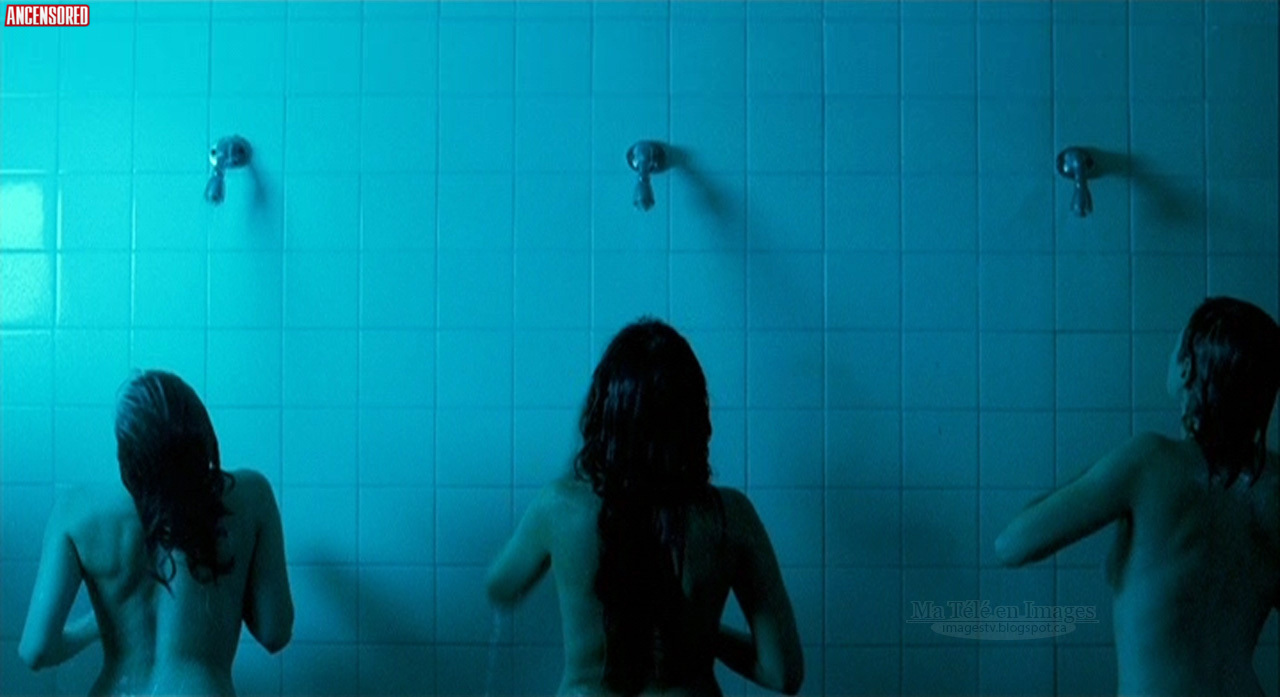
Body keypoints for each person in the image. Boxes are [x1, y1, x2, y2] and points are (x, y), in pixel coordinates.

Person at [486, 319, 804, 696]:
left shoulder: (560, 508)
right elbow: (781, 674)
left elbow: (501, 587)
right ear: (695, 417)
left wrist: (578, 460)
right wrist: (700, 630)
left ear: (605, 412)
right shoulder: (730, 517)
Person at [995, 297, 1280, 697]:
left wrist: (1107, 470)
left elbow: (1011, 544)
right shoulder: (1275, 484)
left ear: (1186, 368)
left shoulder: (1149, 462)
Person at [19, 370, 293, 696]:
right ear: (200, 434)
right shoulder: (249, 497)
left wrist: (94, 625)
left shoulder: (76, 511)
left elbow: (36, 651)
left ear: (127, 450)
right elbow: (274, 633)